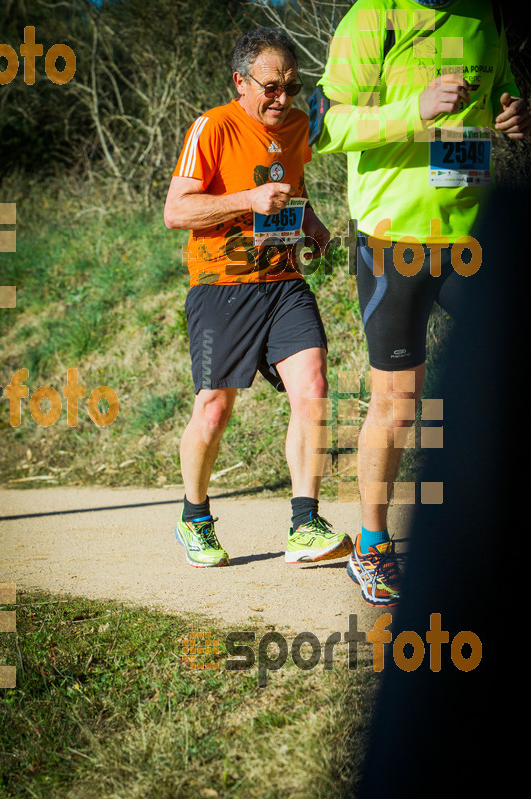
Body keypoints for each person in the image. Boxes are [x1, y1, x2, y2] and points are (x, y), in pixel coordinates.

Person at [314, 0, 530, 606]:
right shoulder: (372, 17)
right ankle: (372, 545)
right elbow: (325, 125)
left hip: (471, 234)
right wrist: (416, 109)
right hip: (394, 238)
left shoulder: (485, 12)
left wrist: (514, 115)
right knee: (398, 403)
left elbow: (500, 93)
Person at [164, 27, 353, 568]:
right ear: (240, 82)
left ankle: (304, 524)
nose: (282, 99)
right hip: (222, 287)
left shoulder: (296, 127)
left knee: (313, 388)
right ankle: (194, 517)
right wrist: (247, 198)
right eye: (271, 87)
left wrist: (315, 229)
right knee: (214, 410)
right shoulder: (213, 125)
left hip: (283, 283)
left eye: (291, 87)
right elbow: (177, 211)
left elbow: (293, 191)